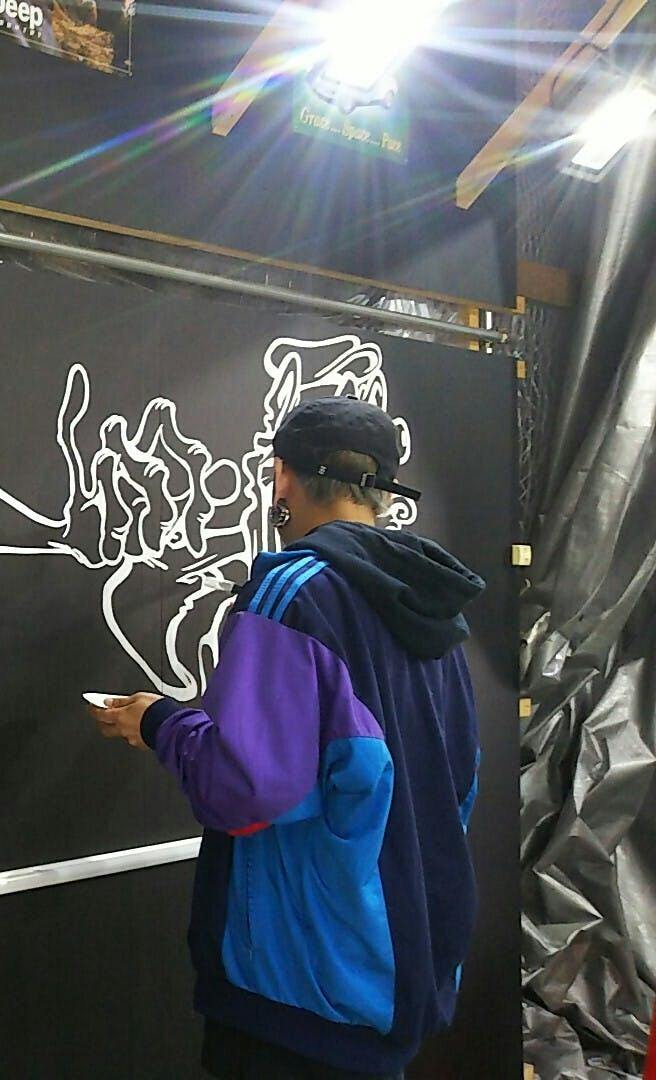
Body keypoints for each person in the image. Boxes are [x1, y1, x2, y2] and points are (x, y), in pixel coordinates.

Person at [89, 397, 484, 1079]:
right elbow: (460, 780)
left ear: (281, 476)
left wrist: (160, 722)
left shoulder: (293, 594)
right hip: (396, 966)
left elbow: (244, 789)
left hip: (300, 985)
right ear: (384, 489)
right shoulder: (431, 605)